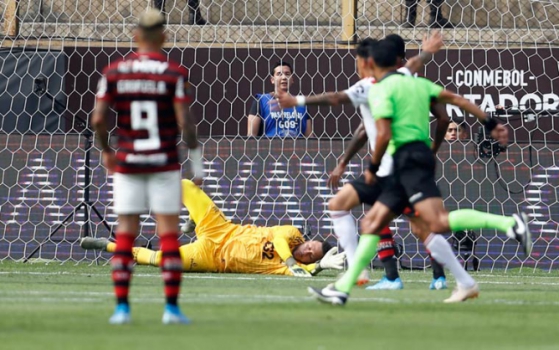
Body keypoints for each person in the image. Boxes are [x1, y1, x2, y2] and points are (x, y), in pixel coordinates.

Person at [308, 39, 532, 305]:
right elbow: (451, 102)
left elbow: (379, 131)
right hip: (407, 165)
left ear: (374, 64)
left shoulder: (381, 89)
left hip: (402, 166)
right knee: (403, 225)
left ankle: (506, 227)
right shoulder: (414, 81)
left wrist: (371, 166)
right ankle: (461, 280)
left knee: (428, 223)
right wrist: (490, 123)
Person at [275, 32, 448, 290]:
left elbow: (337, 101)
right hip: (417, 161)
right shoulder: (410, 79)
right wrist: (432, 149)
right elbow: (442, 115)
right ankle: (438, 277)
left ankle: (373, 273)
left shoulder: (372, 84)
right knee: (419, 222)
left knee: (372, 216)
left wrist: (296, 100)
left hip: (392, 166)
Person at [92, 9, 204, 325]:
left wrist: (106, 151)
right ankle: (170, 309)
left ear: (135, 35)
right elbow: (186, 123)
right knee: (168, 233)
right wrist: (197, 164)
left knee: (126, 232)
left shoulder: (114, 72)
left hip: (128, 162)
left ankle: (122, 309)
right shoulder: (174, 73)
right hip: (164, 162)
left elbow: (99, 118)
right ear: (164, 37)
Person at [81, 179, 345, 276]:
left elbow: (305, 273)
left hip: (213, 258)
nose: (308, 251)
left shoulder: (289, 269)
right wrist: (290, 260)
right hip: (221, 229)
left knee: (161, 260)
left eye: (313, 254)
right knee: (186, 185)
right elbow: (278, 240)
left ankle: (108, 245)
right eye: (312, 246)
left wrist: (319, 267)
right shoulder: (292, 235)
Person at [247, 61, 312, 138]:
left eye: (287, 74)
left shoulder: (301, 104)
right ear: (272, 80)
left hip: (297, 148)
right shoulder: (260, 101)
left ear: (292, 79)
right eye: (279, 74)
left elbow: (310, 137)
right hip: (270, 148)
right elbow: (251, 136)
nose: (284, 77)